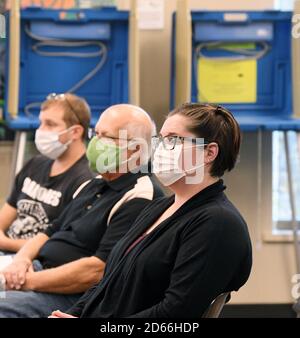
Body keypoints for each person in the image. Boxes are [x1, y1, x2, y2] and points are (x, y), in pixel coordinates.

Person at [50, 102, 252, 319]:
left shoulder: (218, 223)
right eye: (161, 139)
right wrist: (72, 314)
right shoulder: (159, 207)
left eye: (173, 139)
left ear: (209, 152)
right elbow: (108, 282)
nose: (161, 148)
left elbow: (176, 312)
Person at [0, 104, 164, 317]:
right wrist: (21, 261)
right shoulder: (93, 184)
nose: (96, 142)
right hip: (38, 269)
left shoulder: (141, 196)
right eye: (96, 134)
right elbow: (50, 231)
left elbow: (96, 270)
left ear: (136, 149)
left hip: (72, 293)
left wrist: (25, 282)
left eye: (107, 137)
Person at [0, 93, 93, 253]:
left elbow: (58, 247)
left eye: (50, 124)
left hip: (36, 263)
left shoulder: (85, 182)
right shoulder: (35, 164)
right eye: (41, 123)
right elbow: (5, 217)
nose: (40, 131)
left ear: (75, 132)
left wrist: (5, 244)